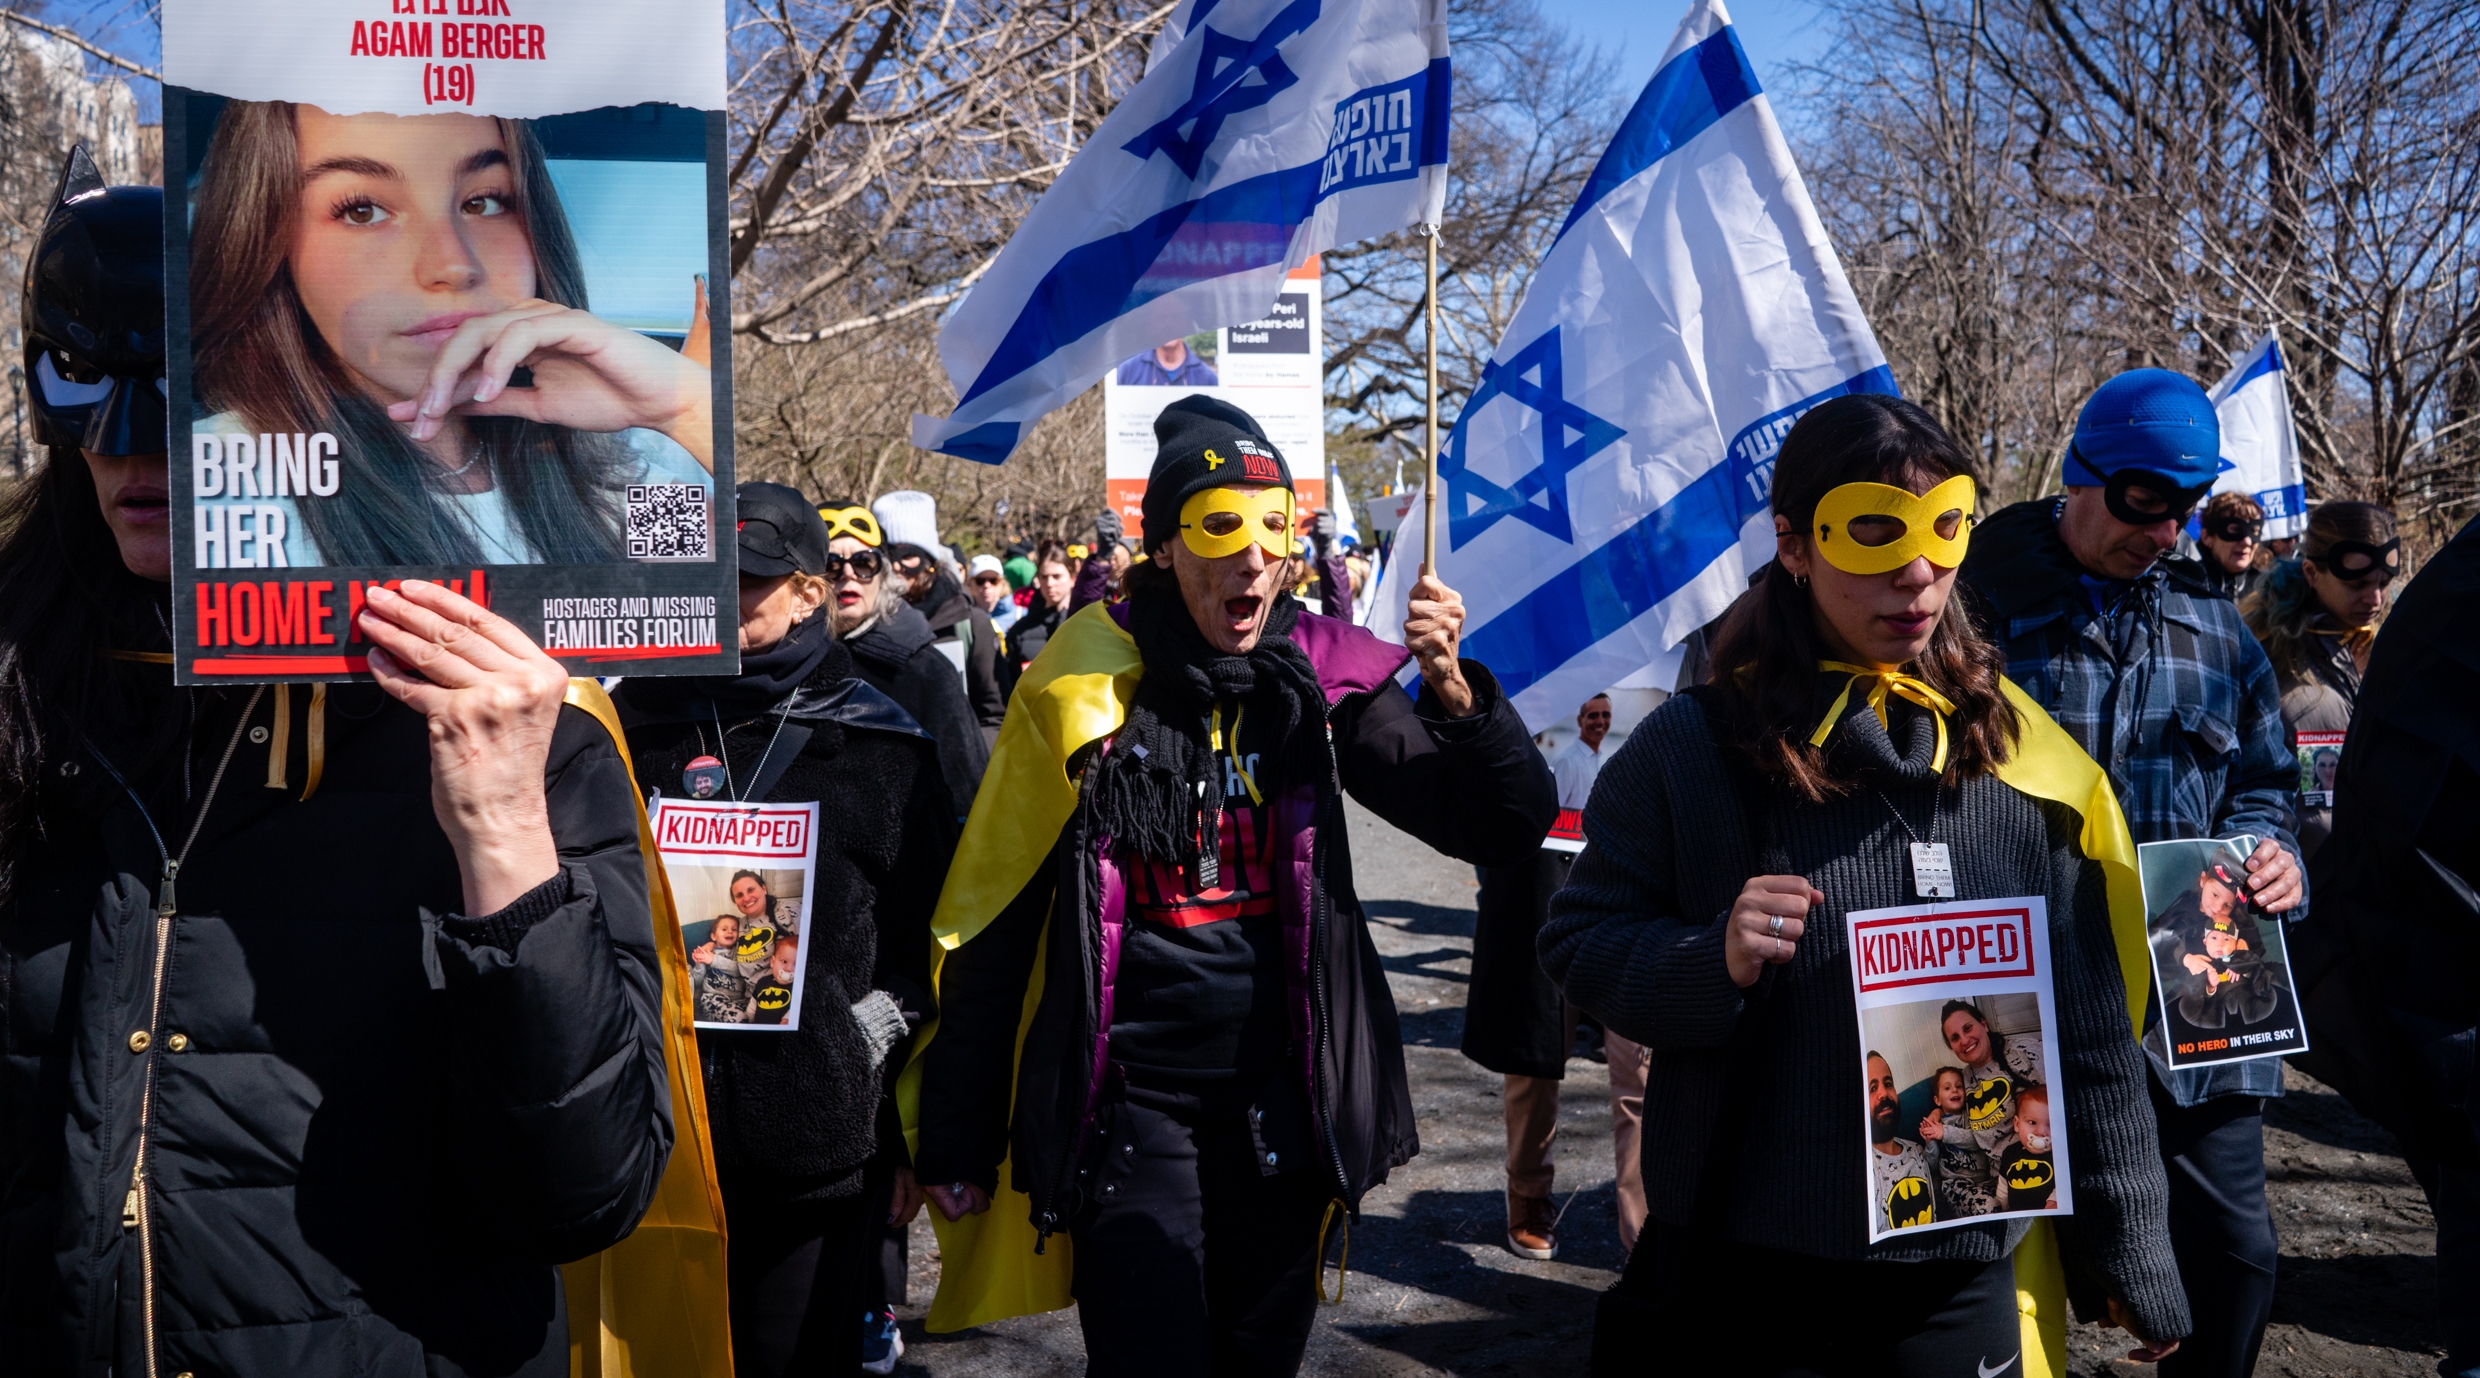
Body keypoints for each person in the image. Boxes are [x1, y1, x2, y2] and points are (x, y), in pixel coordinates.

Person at [0, 152, 680, 1374]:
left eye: (195, 390)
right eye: (94, 389)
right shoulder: (24, 696)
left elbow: (585, 1195)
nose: (138, 449)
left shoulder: (524, 724)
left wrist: (505, 841)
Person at [911, 395, 1556, 1375]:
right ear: (1166, 545)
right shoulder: (1081, 681)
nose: (1254, 555)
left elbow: (1500, 828)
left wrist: (1464, 704)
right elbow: (994, 912)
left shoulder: (1316, 671)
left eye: (1273, 528)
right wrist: (957, 1131)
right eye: (1220, 525)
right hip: (1128, 1098)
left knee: (1260, 1358)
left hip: (1283, 1094)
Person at [1543, 393, 2185, 1374]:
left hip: (1956, 1275)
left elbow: (2090, 1029)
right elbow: (1577, 942)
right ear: (1794, 547)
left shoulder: (2019, 761)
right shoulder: (1696, 746)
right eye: (1873, 533)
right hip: (1746, 1274)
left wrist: (2133, 1251)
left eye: (1942, 532)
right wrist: (1705, 956)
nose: (1916, 572)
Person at [1958, 368, 2302, 1378]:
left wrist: (2272, 855)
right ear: (2078, 472)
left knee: (2233, 1255)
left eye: (2184, 510)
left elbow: (2261, 783)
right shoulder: (1965, 614)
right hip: (2004, 978)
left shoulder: (2216, 633)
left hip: (2192, 987)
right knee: (1982, 1253)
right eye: (2140, 501)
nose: (2161, 533)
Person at [612, 484, 957, 1378]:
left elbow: (933, 935)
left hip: (809, 1136)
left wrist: (866, 1036)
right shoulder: (634, 723)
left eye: (751, 580)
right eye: (711, 578)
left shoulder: (886, 743)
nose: (725, 598)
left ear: (811, 592)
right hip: (651, 1124)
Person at [188, 102, 713, 566]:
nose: (453, 265)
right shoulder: (217, 477)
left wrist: (686, 411)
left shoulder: (636, 463)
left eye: (483, 202)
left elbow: (712, 629)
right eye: (362, 211)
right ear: (268, 246)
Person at [2287, 512, 2480, 1378]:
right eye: (2352, 569)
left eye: (2383, 570)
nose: (2371, 588)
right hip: (2409, 946)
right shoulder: (2282, 654)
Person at [1464, 692, 1625, 1261]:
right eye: (1594, 716)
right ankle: (1528, 1194)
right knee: (1537, 1047)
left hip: (1635, 863)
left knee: (1647, 1064)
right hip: (1540, 868)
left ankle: (1653, 1217)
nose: (1600, 723)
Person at [2240, 500, 2398, 859]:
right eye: (2357, 583)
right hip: (2307, 877)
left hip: (2377, 875)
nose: (2374, 598)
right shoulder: (2264, 652)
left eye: (2384, 582)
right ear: (2311, 572)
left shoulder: (2393, 645)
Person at [815, 499, 989, 822]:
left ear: (883, 574)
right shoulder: (788, 665)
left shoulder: (926, 670)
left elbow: (969, 795)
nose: (848, 575)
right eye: (831, 564)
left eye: (863, 562)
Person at [876, 492, 1007, 748]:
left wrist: (967, 762)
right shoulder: (868, 625)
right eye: (889, 555)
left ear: (930, 561)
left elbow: (995, 714)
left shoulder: (971, 624)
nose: (898, 567)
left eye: (909, 555)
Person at [1867, 1053, 1939, 1233]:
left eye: (1888, 1084)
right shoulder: (1866, 1168)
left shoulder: (1915, 1150)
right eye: (1872, 1088)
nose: (1883, 1093)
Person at [1918, 1066, 1995, 1220]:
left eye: (1959, 1086)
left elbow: (1977, 1140)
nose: (1954, 1090)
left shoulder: (1973, 1114)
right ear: (1937, 1100)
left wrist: (1945, 1132)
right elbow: (1931, 1166)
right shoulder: (1935, 1124)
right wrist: (1930, 1144)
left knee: (2001, 1203)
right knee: (1988, 1206)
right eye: (1947, 1088)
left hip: (1985, 1181)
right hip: (1956, 1186)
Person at [1006, 539, 1076, 673]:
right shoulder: (1020, 631)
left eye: (1057, 576)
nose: (1050, 583)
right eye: (1044, 577)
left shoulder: (1083, 622)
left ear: (1072, 579)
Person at [1993, 1086, 2058, 1211]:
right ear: (2017, 1124)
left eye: (2050, 1125)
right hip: (2017, 1215)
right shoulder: (2010, 1153)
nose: (2040, 1132)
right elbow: (2003, 1188)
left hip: (2047, 1214)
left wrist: (2054, 1199)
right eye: (2032, 1122)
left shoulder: (2059, 1154)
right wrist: (2001, 1209)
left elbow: (2067, 1183)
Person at [2194, 492, 2265, 599]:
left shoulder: (2268, 589)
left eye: (2254, 531)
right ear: (2207, 537)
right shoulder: (2189, 585)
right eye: (2235, 530)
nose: (2247, 542)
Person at [1115, 338, 1220, 387]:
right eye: (1161, 318)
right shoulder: (1127, 371)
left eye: (1175, 317)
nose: (1168, 326)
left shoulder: (1208, 378)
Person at [970, 553, 1022, 635]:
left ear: (1002, 584)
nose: (987, 585)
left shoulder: (1020, 616)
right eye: (980, 581)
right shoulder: (964, 618)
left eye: (993, 580)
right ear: (970, 584)